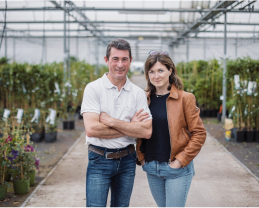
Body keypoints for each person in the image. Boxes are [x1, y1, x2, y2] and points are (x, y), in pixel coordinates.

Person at [81, 39, 152, 207]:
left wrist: (111, 121)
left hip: (127, 160)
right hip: (99, 158)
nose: (120, 64)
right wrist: (131, 126)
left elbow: (147, 131)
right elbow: (91, 129)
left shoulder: (137, 93)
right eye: (115, 59)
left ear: (130, 60)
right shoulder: (93, 89)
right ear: (106, 60)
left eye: (124, 59)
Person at [136, 51, 207, 207]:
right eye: (152, 72)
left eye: (161, 70)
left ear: (170, 70)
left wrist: (180, 160)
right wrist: (141, 157)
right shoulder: (143, 99)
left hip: (176, 169)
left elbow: (199, 133)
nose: (156, 76)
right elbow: (136, 129)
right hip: (151, 168)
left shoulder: (185, 98)